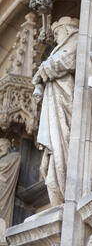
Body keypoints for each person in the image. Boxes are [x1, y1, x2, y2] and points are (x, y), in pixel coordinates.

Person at [32, 17, 79, 206]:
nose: (56, 38)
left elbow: (64, 62)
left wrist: (42, 71)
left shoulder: (76, 39)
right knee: (50, 161)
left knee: (61, 149)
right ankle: (58, 199)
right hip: (55, 105)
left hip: (65, 104)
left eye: (58, 33)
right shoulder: (62, 47)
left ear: (67, 30)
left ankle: (65, 197)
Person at [0, 138, 21, 227]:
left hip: (4, 189)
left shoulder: (15, 157)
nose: (0, 148)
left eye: (1, 146)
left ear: (8, 146)